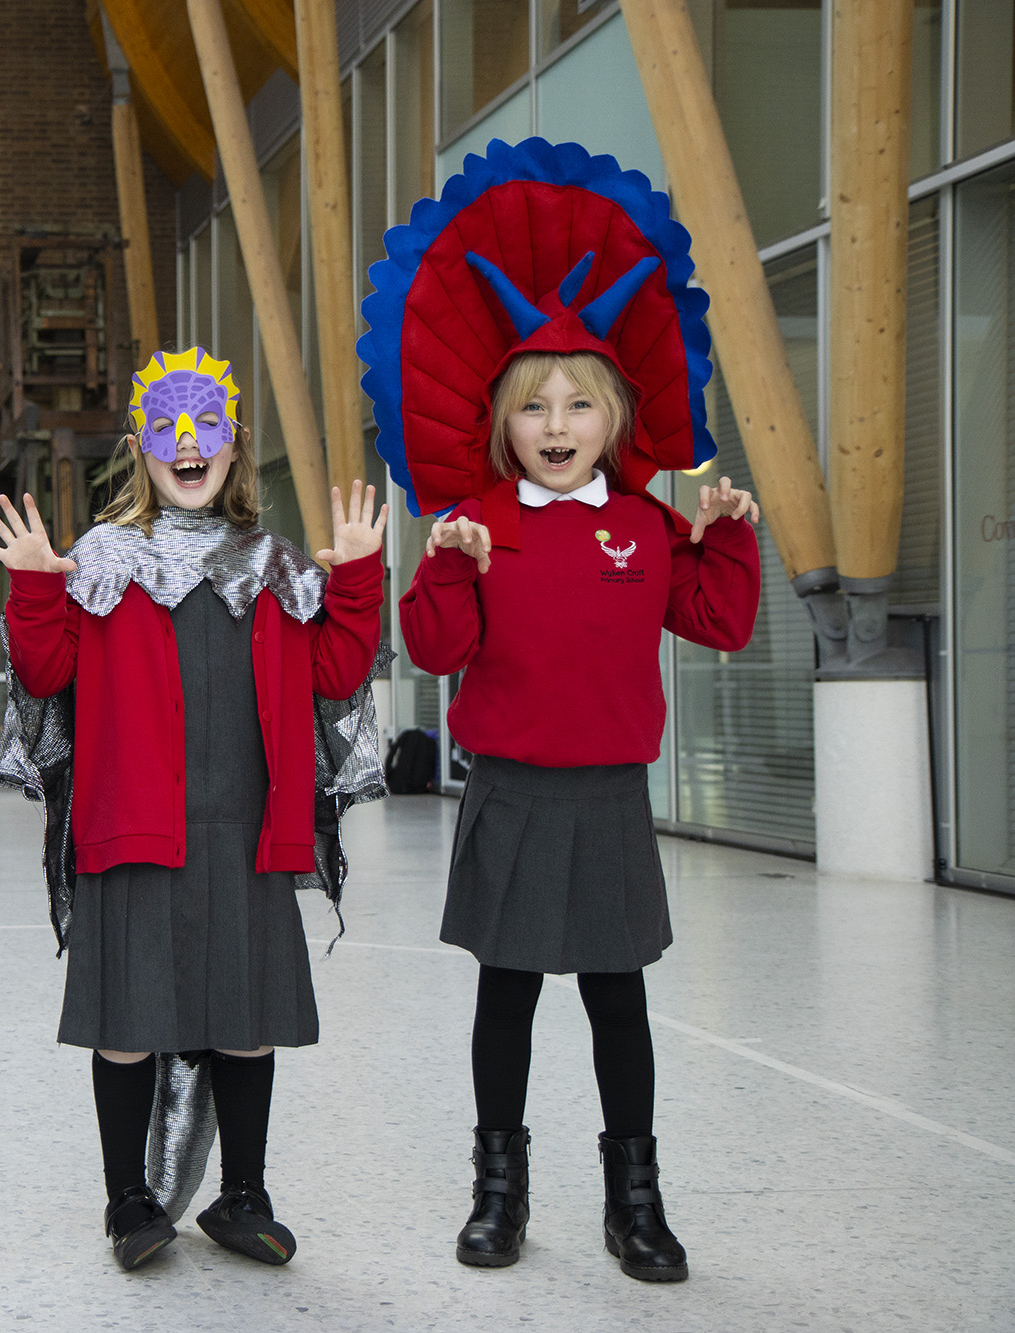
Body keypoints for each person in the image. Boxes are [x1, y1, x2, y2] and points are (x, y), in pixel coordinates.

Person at [365, 137, 763, 1282]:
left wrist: (726, 530)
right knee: (504, 1001)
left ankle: (633, 1201)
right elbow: (436, 647)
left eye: (575, 404)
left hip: (607, 801)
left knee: (616, 1007)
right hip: (508, 793)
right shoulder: (478, 521)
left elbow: (720, 621)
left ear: (611, 415)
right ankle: (498, 1190)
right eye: (531, 404)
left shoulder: (643, 524)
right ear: (501, 419)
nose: (552, 421)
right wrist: (443, 561)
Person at [0, 347, 387, 1271]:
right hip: (130, 833)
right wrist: (40, 586)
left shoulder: (278, 565)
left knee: (244, 1022)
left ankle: (243, 1192)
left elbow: (335, 672)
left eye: (207, 425)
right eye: (169, 426)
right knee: (127, 1026)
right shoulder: (100, 561)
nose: (189, 441)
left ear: (236, 447)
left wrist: (358, 580)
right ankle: (128, 1195)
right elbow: (47, 674)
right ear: (140, 447)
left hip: (249, 836)